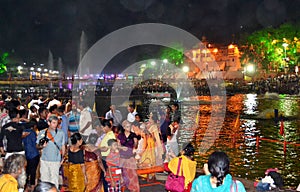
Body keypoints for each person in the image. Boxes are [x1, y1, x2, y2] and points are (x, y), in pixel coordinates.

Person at [36, 115, 66, 189]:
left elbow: (63, 146)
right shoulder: (42, 133)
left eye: (56, 123)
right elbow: (37, 145)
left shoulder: (61, 133)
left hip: (55, 160)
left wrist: (63, 158)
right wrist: (42, 146)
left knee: (54, 180)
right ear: (49, 123)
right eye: (53, 123)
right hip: (44, 160)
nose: (55, 125)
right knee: (44, 179)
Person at [117, 120, 140, 192]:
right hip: (122, 157)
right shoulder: (120, 136)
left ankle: (134, 190)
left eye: (129, 126)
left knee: (133, 175)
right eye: (127, 126)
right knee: (122, 175)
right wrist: (122, 148)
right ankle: (123, 188)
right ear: (124, 127)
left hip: (130, 158)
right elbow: (118, 146)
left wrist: (136, 143)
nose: (129, 128)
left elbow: (136, 146)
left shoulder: (133, 135)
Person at [22, 120, 40, 192]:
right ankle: (32, 187)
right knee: (33, 171)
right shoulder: (33, 133)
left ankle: (25, 186)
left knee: (27, 171)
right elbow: (36, 144)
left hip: (26, 154)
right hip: (34, 154)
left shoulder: (23, 132)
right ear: (34, 126)